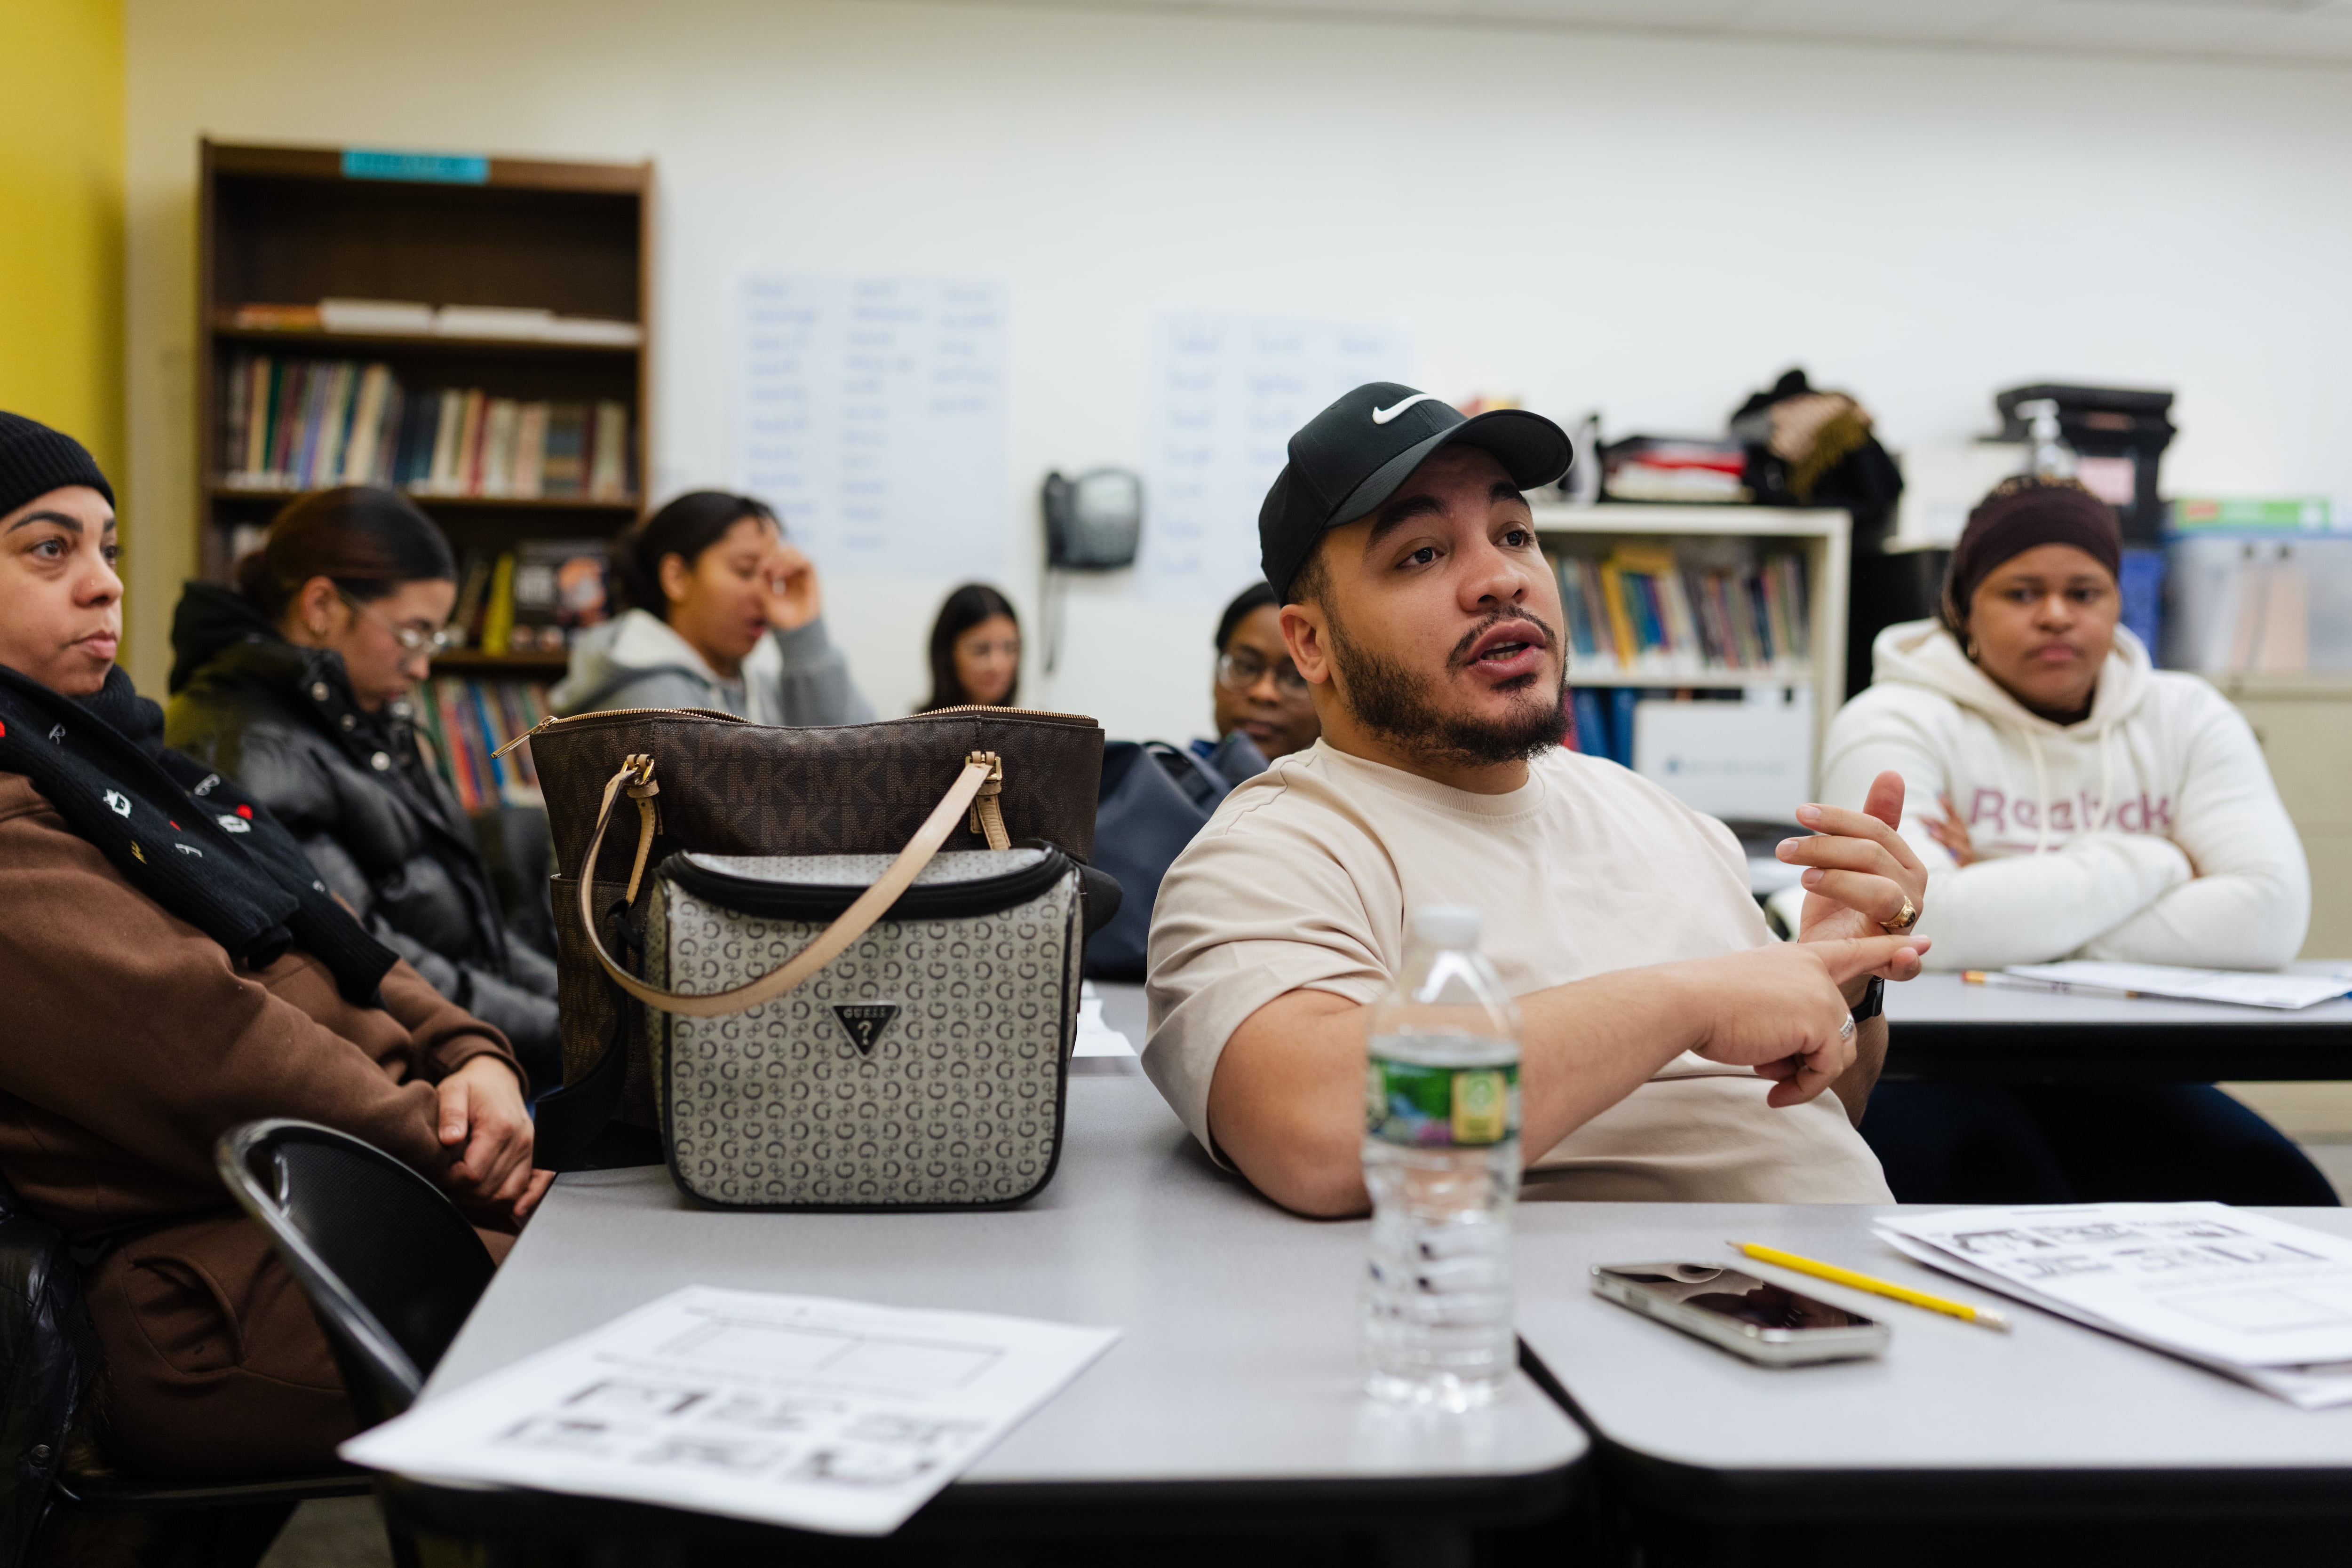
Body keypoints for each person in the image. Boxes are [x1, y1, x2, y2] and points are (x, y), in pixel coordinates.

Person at [1144, 384, 1930, 1216]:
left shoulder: (1662, 817)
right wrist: (1689, 1000)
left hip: (1858, 1279)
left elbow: (1813, 1127)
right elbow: (1320, 1133)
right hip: (1603, 1311)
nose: (1499, 579)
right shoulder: (1271, 855)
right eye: (1421, 553)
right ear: (1312, 641)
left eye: (1515, 534)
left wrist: (1844, 989)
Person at [0, 412, 547, 1484]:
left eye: (108, 547)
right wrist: (465, 1147)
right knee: (604, 1333)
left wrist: (473, 1052)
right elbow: (211, 1047)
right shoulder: (20, 814)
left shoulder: (128, 767)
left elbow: (352, 944)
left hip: (336, 1203)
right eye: (48, 548)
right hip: (221, 1286)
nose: (105, 584)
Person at [1815, 475, 2333, 1204]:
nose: (2056, 616)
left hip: (2125, 1063)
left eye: (2084, 593)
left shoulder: (2188, 716)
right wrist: (2159, 861)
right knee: (1997, 1188)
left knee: (2280, 1188)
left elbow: (2270, 913)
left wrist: (2002, 900)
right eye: (2022, 593)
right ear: (1963, 608)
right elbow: (1914, 926)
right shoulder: (1892, 720)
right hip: (1930, 1062)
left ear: (2119, 603)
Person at [165, 486, 562, 1095]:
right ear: (322, 604)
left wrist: (584, 1003)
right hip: (418, 1078)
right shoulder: (246, 743)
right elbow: (367, 953)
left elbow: (479, 940)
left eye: (434, 640)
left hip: (475, 1052)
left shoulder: (357, 715)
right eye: (412, 634)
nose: (424, 666)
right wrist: (569, 1027)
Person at [553, 490, 872, 724]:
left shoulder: (754, 686)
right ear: (677, 577)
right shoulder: (648, 703)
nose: (767, 595)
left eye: (772, 575)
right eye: (745, 571)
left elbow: (866, 766)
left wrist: (804, 638)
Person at [1192, 580, 1320, 766]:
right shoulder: (1154, 782)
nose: (1263, 693)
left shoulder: (1354, 793)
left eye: (1296, 678)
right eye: (1246, 667)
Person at [916, 583, 1021, 711]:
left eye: (1011, 648)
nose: (998, 665)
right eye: (980, 650)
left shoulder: (1036, 727)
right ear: (948, 653)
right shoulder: (911, 728)